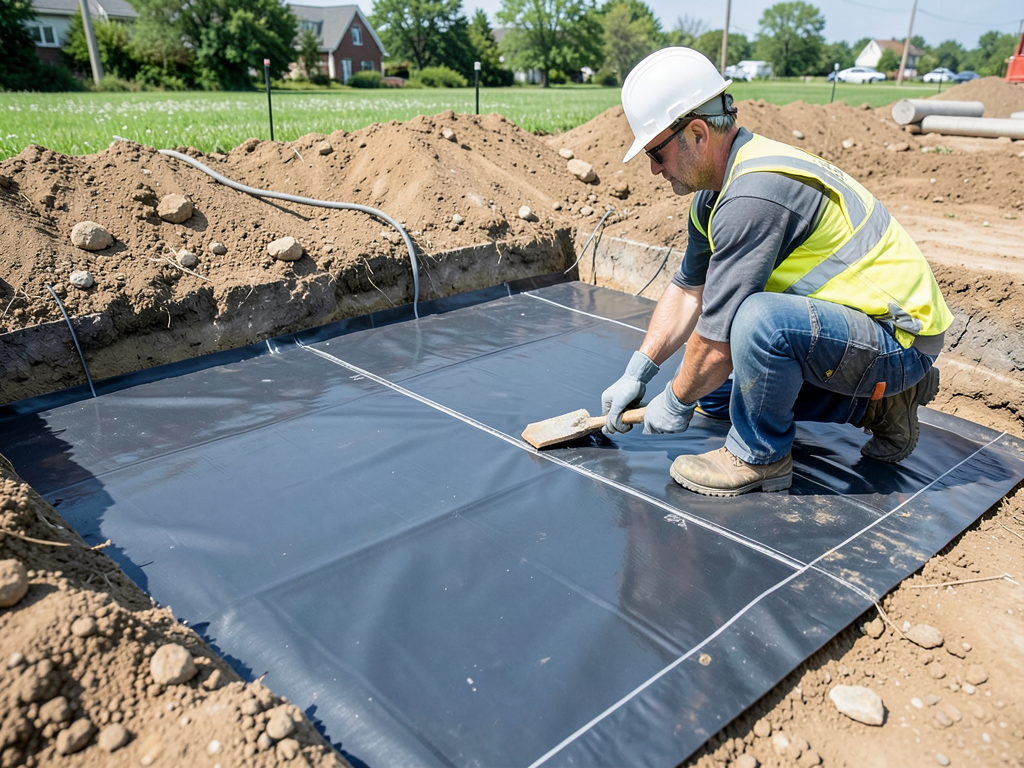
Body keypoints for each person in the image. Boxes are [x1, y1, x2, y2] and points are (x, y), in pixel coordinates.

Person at [601, 47, 953, 497]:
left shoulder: (754, 197)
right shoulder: (716, 194)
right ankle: (879, 408)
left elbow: (716, 344)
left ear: (696, 133)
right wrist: (640, 372)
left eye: (656, 152)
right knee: (714, 396)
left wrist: (674, 400)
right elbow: (689, 289)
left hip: (898, 339)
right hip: (853, 330)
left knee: (757, 323)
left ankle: (758, 456)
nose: (652, 168)